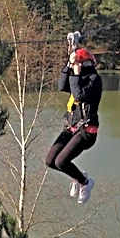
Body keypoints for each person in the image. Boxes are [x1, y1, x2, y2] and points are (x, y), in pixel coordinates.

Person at [46, 46, 102, 204]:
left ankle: (85, 183)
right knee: (50, 161)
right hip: (71, 128)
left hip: (86, 131)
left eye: (78, 64)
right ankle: (78, 176)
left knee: (61, 162)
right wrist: (68, 65)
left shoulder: (94, 80)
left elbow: (78, 96)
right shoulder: (77, 78)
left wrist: (76, 74)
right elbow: (62, 86)